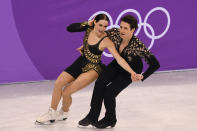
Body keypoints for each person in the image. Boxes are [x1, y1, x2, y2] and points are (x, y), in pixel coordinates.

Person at [35, 14, 140, 124]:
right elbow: (69, 28)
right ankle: (52, 113)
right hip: (81, 61)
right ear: (94, 22)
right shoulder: (89, 28)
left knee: (66, 92)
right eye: (100, 25)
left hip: (93, 68)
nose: (102, 29)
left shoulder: (106, 40)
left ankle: (64, 113)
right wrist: (86, 23)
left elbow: (119, 59)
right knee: (58, 83)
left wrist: (132, 72)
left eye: (105, 26)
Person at [78, 15, 160, 128]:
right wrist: (86, 45)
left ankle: (110, 119)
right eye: (121, 27)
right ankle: (92, 115)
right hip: (118, 64)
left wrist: (142, 76)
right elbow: (101, 37)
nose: (122, 30)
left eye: (126, 28)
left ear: (133, 30)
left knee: (109, 92)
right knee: (100, 82)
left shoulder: (138, 45)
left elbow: (155, 64)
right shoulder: (115, 33)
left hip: (131, 71)